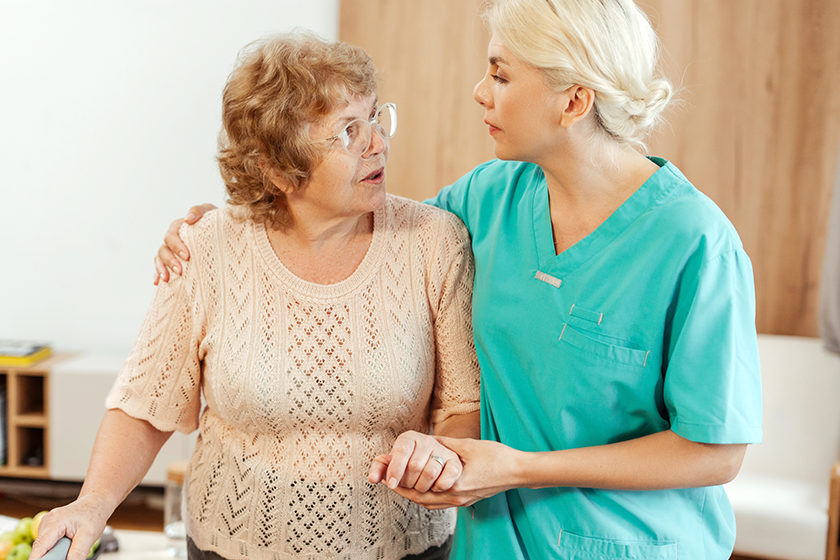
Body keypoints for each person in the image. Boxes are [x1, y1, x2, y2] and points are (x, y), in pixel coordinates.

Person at [153, 0, 763, 558]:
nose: (480, 91)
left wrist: (520, 468)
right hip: (490, 543)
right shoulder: (488, 199)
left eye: (501, 74)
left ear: (573, 101)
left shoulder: (695, 243)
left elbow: (716, 452)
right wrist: (235, 227)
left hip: (631, 544)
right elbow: (355, 225)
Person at [31, 33, 480, 560]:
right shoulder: (207, 248)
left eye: (376, 118)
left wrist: (436, 453)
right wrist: (92, 503)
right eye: (347, 132)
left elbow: (461, 405)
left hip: (399, 548)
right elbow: (146, 405)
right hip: (232, 544)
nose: (378, 143)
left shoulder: (434, 241)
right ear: (278, 169)